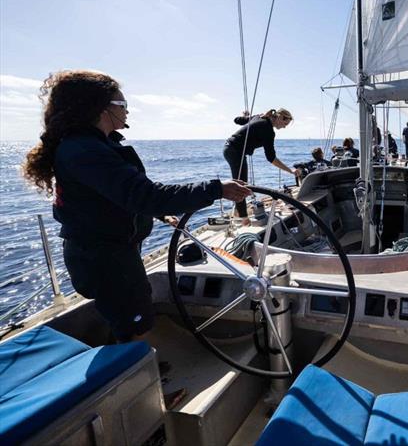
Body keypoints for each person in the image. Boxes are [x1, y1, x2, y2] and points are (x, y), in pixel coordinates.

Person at [22, 70, 251, 346]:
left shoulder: (93, 146)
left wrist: (156, 212)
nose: (128, 112)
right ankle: (139, 379)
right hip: (105, 259)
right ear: (101, 108)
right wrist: (217, 189)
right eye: (123, 105)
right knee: (134, 324)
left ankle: (136, 366)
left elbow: (120, 195)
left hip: (111, 252)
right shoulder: (85, 151)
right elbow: (144, 194)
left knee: (127, 317)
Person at [223, 108, 299, 219]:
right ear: (281, 117)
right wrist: (290, 170)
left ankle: (238, 213)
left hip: (229, 148)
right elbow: (271, 158)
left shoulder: (260, 117)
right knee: (241, 186)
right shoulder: (268, 130)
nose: (284, 127)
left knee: (241, 183)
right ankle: (243, 218)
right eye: (285, 123)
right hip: (235, 151)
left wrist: (248, 117)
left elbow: (237, 120)